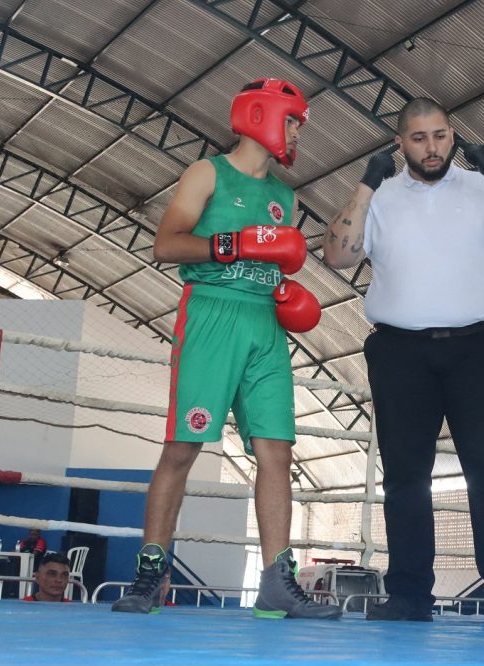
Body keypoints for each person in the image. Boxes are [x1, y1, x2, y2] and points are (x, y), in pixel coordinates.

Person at [111, 78, 338, 620]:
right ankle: (150, 574)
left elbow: (271, 260)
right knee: (183, 449)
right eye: (290, 120)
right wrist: (234, 244)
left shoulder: (285, 197)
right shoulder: (207, 172)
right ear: (261, 114)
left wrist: (285, 293)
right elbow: (166, 244)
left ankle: (277, 583)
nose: (294, 133)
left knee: (277, 453)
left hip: (264, 324)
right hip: (211, 314)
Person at [324, 97, 484, 626]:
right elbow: (337, 255)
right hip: (400, 349)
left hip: (480, 347)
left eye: (441, 135)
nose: (432, 147)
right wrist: (366, 182)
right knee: (404, 476)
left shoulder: (482, 188)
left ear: (453, 137)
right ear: (400, 144)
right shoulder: (379, 196)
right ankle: (407, 596)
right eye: (420, 138)